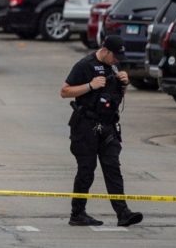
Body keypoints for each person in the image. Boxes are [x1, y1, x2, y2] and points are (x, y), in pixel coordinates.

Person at [60, 35, 143, 227]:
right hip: (85, 126)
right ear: (105, 51)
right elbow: (64, 91)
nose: (117, 61)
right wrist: (90, 85)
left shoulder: (113, 67)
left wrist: (124, 83)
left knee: (113, 168)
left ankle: (123, 213)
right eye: (115, 56)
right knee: (86, 170)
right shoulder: (84, 65)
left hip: (108, 126)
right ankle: (77, 213)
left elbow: (114, 97)